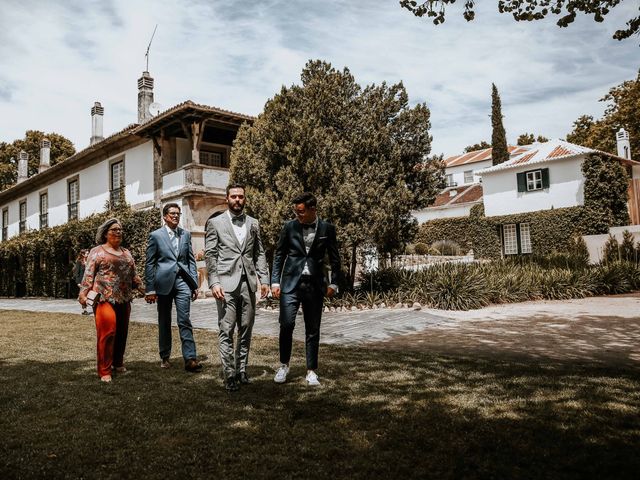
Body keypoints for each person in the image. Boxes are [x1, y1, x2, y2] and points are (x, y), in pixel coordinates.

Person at [271, 192, 341, 386]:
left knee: (313, 329)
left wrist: (334, 283)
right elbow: (279, 255)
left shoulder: (327, 228)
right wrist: (275, 282)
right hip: (290, 284)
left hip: (315, 285)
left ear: (313, 209)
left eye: (301, 212)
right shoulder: (289, 227)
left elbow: (335, 259)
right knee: (286, 324)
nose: (297, 215)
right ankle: (284, 365)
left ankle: (311, 371)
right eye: (296, 211)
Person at [205, 183, 269, 392]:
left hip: (248, 283)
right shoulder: (215, 223)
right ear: (227, 198)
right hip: (225, 283)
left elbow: (259, 253)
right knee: (226, 329)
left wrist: (264, 280)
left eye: (241, 197)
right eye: (233, 196)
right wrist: (213, 282)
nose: (237, 200)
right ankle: (229, 373)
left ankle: (242, 370)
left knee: (246, 328)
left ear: (245, 199)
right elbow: (211, 255)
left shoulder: (253, 223)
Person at [79, 219, 143, 382]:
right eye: (114, 230)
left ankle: (118, 363)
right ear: (105, 233)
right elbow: (88, 274)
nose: (118, 232)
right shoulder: (97, 251)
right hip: (103, 297)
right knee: (108, 332)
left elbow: (133, 275)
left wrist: (143, 288)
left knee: (122, 332)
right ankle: (104, 370)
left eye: (120, 230)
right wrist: (83, 294)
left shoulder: (126, 252)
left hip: (124, 297)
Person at [144, 203, 202, 373]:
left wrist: (194, 284)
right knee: (164, 320)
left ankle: (190, 358)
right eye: (172, 214)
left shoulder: (185, 235)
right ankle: (165, 356)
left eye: (178, 214)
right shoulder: (155, 236)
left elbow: (190, 260)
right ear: (165, 216)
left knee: (184, 319)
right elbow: (150, 264)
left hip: (183, 282)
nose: (176, 216)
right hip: (163, 283)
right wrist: (150, 288)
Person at [72, 249, 90, 315]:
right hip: (82, 281)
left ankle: (80, 300)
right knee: (83, 296)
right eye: (87, 253)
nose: (88, 254)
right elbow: (77, 273)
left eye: (88, 253)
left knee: (88, 295)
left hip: (89, 281)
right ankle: (84, 310)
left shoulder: (89, 261)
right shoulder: (79, 262)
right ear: (83, 254)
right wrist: (78, 282)